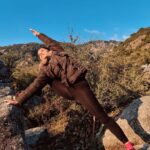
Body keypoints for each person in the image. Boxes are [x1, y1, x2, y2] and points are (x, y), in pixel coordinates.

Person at [6, 29, 135, 150]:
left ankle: (127, 143)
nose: (41, 53)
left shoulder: (59, 52)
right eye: (39, 54)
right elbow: (34, 85)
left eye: (42, 50)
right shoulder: (45, 71)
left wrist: (39, 35)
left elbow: (51, 43)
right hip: (68, 90)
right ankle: (20, 96)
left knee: (102, 117)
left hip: (80, 87)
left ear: (48, 50)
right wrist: (19, 100)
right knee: (42, 81)